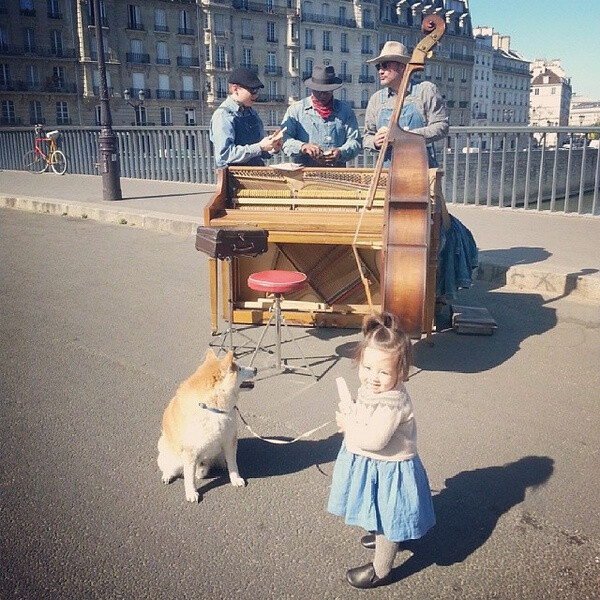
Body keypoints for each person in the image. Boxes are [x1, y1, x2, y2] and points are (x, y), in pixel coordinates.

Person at [327, 312, 435, 589]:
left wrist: (348, 424)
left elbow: (375, 440)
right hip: (375, 465)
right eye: (367, 368)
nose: (373, 378)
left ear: (401, 372)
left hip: (389, 466)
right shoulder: (372, 388)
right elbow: (366, 415)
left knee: (389, 514)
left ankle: (382, 569)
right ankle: (383, 535)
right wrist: (353, 410)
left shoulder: (391, 402)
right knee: (377, 504)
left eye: (384, 372)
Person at [363, 41, 448, 167]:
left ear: (402, 67)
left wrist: (405, 136)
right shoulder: (376, 99)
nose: (380, 71)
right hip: (388, 171)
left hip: (420, 168)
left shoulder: (425, 90)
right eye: (378, 67)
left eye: (385, 66)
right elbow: (366, 137)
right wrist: (375, 142)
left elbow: (441, 126)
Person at [281, 65, 361, 167]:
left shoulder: (345, 110)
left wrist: (341, 152)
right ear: (311, 89)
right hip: (305, 175)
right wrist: (303, 147)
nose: (323, 95)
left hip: (336, 176)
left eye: (327, 91)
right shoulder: (296, 110)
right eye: (318, 91)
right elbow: (285, 140)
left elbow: (355, 141)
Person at [209, 67, 282, 168]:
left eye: (257, 91)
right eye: (253, 90)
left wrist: (273, 147)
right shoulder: (223, 116)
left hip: (257, 174)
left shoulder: (252, 113)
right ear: (235, 89)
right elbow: (225, 155)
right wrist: (260, 147)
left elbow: (260, 152)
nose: (256, 95)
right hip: (236, 179)